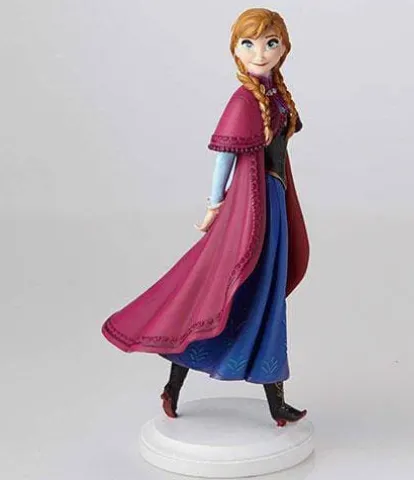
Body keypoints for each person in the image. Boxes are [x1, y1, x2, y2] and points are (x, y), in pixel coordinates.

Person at [101, 8, 310, 427]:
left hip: (274, 203)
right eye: (249, 43)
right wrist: (215, 205)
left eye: (270, 43)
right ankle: (173, 386)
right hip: (250, 210)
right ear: (236, 50)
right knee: (217, 292)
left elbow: (278, 154)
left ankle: (276, 403)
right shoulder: (244, 100)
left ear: (284, 48)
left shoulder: (278, 96)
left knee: (265, 300)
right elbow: (224, 160)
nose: (260, 52)